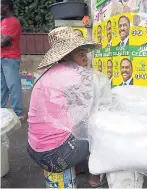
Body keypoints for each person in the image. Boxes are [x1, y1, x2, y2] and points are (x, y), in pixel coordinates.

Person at [27, 27, 105, 187]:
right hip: (55, 154)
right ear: (67, 55)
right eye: (81, 54)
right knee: (101, 131)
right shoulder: (76, 76)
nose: (86, 58)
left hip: (35, 148)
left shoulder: (48, 73)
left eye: (86, 53)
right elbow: (90, 113)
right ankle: (95, 177)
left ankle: (76, 166)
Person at [1, 0, 24, 120]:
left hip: (10, 58)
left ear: (5, 6)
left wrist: (2, 39)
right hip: (2, 57)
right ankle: (1, 110)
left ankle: (18, 113)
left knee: (13, 86)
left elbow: (3, 42)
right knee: (2, 87)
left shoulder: (13, 22)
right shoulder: (3, 21)